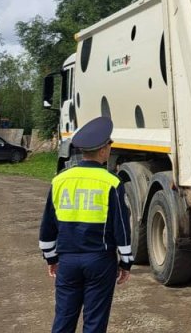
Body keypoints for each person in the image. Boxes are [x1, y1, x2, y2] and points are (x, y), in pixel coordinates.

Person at [39, 116, 132, 333]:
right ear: (102, 150)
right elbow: (121, 227)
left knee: (63, 317)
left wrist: (51, 258)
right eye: (109, 144)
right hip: (99, 261)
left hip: (68, 261)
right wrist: (126, 263)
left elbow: (48, 225)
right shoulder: (112, 182)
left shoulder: (60, 180)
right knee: (95, 322)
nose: (110, 148)